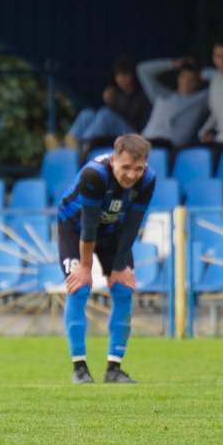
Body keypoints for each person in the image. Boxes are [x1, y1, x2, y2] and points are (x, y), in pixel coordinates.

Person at [57, 134, 155, 384]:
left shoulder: (148, 180)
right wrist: (85, 268)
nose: (132, 175)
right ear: (113, 160)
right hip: (76, 228)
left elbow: (132, 225)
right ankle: (79, 368)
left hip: (113, 230)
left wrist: (119, 267)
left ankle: (114, 369)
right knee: (79, 288)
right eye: (126, 168)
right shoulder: (94, 175)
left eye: (138, 169)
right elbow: (89, 226)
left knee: (123, 290)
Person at [65, 56, 151, 154]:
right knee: (87, 113)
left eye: (124, 75)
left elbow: (126, 120)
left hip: (135, 137)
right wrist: (110, 103)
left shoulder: (143, 97)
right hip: (117, 134)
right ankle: (70, 141)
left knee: (105, 114)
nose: (120, 79)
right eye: (118, 75)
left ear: (133, 76)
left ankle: (85, 145)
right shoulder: (118, 95)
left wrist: (112, 105)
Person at [137, 56, 216, 151]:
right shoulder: (162, 95)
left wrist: (203, 73)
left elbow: (221, 78)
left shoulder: (201, 99)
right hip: (146, 140)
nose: (186, 82)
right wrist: (173, 64)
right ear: (178, 78)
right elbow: (142, 69)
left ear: (199, 82)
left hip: (170, 146)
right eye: (183, 77)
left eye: (191, 80)